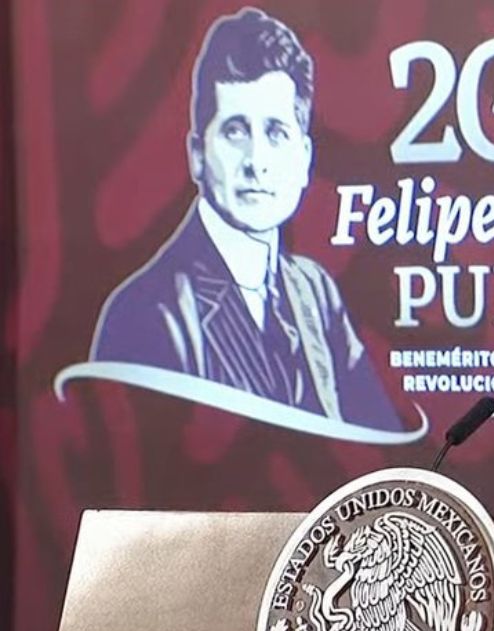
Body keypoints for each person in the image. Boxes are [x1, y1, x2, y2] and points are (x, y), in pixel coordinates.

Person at [90, 7, 399, 431]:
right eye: (235, 130)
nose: (256, 161)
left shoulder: (315, 291)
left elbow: (378, 444)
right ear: (197, 155)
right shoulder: (147, 313)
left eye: (276, 133)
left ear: (304, 158)